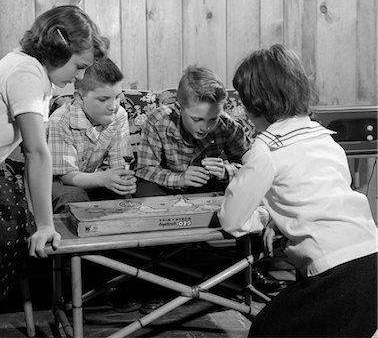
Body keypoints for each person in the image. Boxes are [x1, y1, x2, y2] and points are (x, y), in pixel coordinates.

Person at [0, 5, 108, 337]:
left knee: (10, 222)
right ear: (57, 50)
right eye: (79, 67)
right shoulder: (26, 73)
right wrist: (44, 225)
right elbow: (36, 151)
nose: (80, 77)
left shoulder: (36, 72)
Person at [218, 44, 377, 337]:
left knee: (267, 328)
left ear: (254, 103)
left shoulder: (265, 150)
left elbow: (231, 219)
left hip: (335, 272)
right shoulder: (325, 138)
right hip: (371, 258)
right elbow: (311, 195)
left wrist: (265, 218)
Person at [134, 65, 249, 197]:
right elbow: (145, 169)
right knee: (143, 187)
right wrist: (180, 179)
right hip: (167, 187)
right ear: (179, 108)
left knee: (242, 185)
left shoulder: (226, 124)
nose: (205, 127)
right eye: (197, 119)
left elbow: (251, 164)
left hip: (209, 186)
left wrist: (226, 171)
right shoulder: (158, 121)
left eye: (213, 119)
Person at [48, 58, 136, 213]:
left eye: (117, 97)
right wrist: (102, 179)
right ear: (79, 98)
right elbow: (65, 176)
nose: (113, 106)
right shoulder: (60, 120)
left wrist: (121, 180)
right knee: (73, 196)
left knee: (125, 195)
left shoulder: (119, 115)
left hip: (95, 179)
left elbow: (119, 164)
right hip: (59, 183)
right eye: (103, 99)